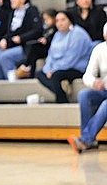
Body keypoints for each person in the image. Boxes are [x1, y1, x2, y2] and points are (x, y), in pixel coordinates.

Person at [36, 11, 93, 103]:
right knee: (39, 74)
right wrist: (48, 69)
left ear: (69, 20)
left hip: (77, 67)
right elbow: (51, 55)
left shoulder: (78, 34)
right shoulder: (57, 34)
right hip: (59, 68)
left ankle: (61, 100)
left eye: (63, 20)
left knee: (56, 76)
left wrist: (53, 70)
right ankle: (62, 94)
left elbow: (71, 58)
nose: (60, 23)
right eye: (57, 20)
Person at [0, 0, 42, 80]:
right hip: (12, 44)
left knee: (4, 57)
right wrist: (4, 39)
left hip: (25, 46)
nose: (11, 0)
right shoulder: (12, 13)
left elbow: (37, 30)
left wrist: (21, 38)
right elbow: (9, 32)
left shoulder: (32, 10)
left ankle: (12, 83)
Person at [69, 22, 107, 152]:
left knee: (106, 104)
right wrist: (94, 82)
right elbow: (87, 75)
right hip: (105, 90)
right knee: (84, 95)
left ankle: (86, 139)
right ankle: (89, 139)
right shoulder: (99, 49)